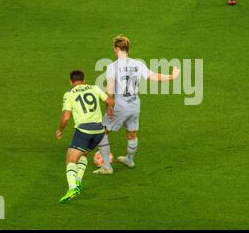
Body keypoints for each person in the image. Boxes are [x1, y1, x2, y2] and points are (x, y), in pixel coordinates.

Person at [93, 35, 180, 174]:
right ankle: (129, 159)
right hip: (134, 105)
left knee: (102, 132)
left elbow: (110, 89)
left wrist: (109, 106)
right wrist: (171, 76)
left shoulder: (112, 66)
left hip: (120, 106)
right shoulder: (137, 64)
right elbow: (154, 77)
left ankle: (107, 167)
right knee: (131, 133)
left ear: (116, 48)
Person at [56, 70, 114, 203]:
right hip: (99, 132)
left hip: (83, 132)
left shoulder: (69, 94)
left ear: (71, 82)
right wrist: (109, 110)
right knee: (83, 155)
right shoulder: (94, 88)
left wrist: (60, 130)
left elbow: (65, 117)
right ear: (83, 80)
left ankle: (72, 188)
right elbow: (111, 102)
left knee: (70, 160)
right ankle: (78, 183)